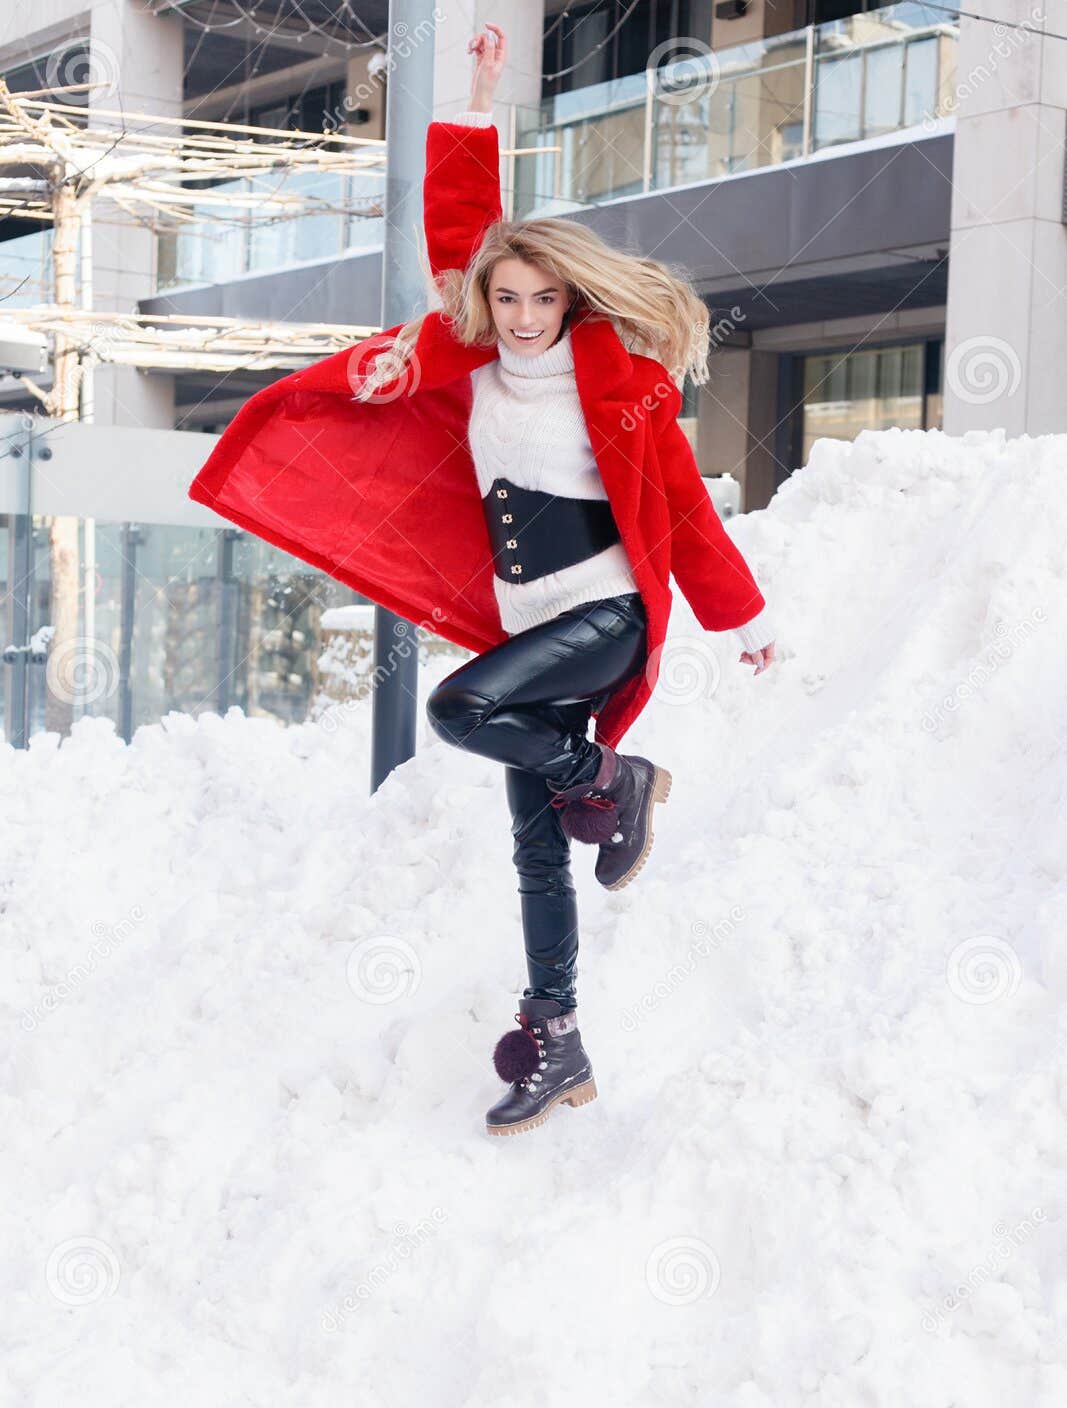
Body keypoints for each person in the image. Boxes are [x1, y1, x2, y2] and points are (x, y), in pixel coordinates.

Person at [187, 21, 775, 1141]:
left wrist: (737, 613)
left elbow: (686, 509)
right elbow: (461, 220)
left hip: (601, 613)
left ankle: (618, 774)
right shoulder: (471, 367)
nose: (519, 316)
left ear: (568, 301)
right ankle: (557, 1039)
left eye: (539, 300)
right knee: (534, 847)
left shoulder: (621, 381)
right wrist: (474, 95)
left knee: (459, 707)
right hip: (528, 617)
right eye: (503, 299)